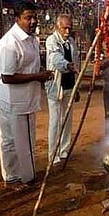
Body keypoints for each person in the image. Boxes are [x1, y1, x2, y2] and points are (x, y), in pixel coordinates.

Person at [0, 2, 53, 184]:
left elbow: (28, 66)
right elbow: (7, 76)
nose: (33, 21)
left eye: (34, 17)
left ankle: (16, 176)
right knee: (18, 141)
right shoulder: (10, 42)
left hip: (23, 99)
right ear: (17, 19)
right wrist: (38, 76)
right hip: (16, 101)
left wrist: (39, 71)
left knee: (15, 141)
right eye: (28, 17)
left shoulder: (31, 39)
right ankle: (24, 177)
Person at [45, 14, 79, 165]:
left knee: (67, 120)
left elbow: (76, 62)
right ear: (57, 27)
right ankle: (54, 154)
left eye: (69, 28)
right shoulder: (51, 41)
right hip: (56, 87)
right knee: (55, 121)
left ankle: (64, 150)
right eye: (64, 28)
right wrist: (68, 65)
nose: (67, 31)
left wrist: (76, 87)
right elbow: (55, 59)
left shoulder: (71, 42)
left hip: (69, 86)